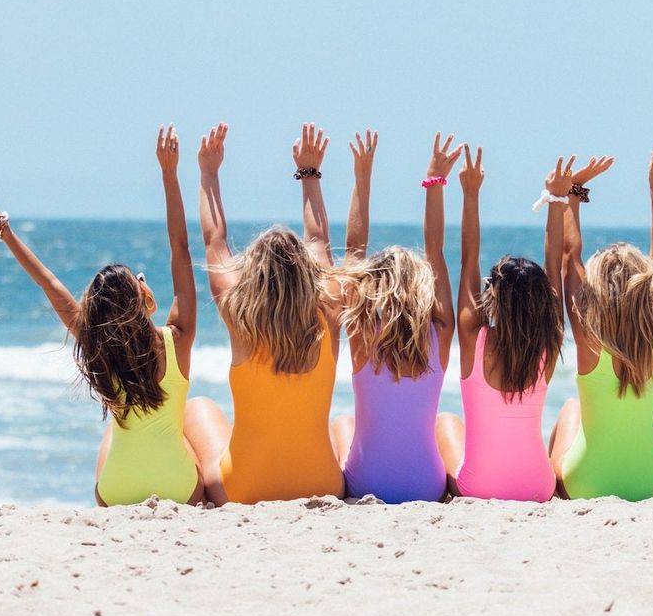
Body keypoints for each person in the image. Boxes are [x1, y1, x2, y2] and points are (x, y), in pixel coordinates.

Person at [0, 125, 205, 506]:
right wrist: (170, 175)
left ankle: (129, 474)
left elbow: (49, 283)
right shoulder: (179, 336)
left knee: (113, 434)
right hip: (180, 490)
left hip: (114, 492)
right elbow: (180, 249)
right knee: (188, 422)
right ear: (142, 299)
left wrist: (2, 229)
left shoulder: (96, 343)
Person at [435, 147, 611, 501]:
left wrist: (470, 194)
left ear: (494, 297)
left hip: (479, 488)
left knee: (446, 423)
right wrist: (558, 199)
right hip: (538, 487)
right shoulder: (549, 341)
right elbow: (557, 260)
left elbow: (468, 257)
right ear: (543, 302)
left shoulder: (474, 337)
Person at [187, 122, 345, 505]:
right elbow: (319, 239)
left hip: (244, 488)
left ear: (252, 276)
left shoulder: (238, 318)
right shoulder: (330, 309)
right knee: (343, 426)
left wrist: (209, 174)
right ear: (309, 274)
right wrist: (310, 173)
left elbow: (215, 240)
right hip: (323, 483)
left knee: (198, 408)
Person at [549, 147, 653, 500]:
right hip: (652, 481)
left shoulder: (588, 340)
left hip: (588, 483)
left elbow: (570, 259)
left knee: (570, 408)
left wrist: (574, 193)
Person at [330, 131, 460, 502]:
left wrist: (362, 178)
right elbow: (435, 250)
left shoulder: (361, 336)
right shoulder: (441, 334)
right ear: (423, 287)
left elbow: (354, 253)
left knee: (342, 424)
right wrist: (435, 181)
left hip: (366, 482)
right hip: (428, 486)